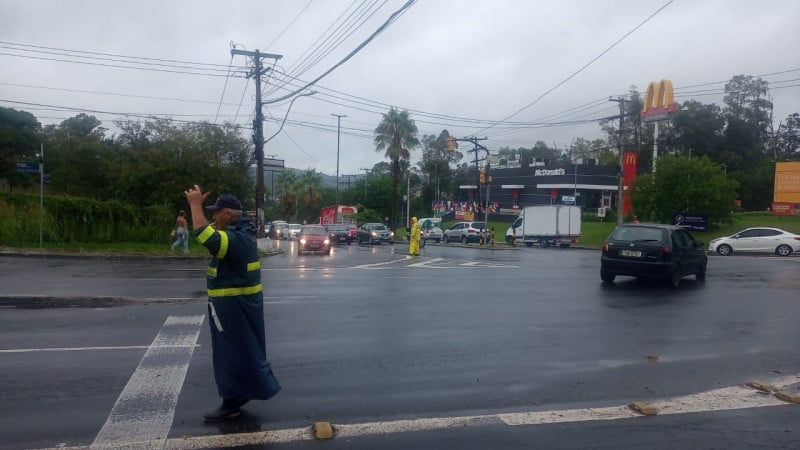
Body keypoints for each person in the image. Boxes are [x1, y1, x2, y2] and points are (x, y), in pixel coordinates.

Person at [183, 185, 281, 422]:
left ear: (228, 214)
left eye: (217, 212)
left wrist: (195, 205)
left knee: (230, 355)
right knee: (243, 352)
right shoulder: (241, 235)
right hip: (237, 307)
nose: (214, 217)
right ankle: (239, 395)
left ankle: (231, 403)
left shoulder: (235, 239)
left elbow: (205, 235)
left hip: (234, 309)